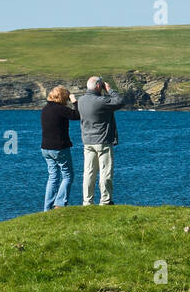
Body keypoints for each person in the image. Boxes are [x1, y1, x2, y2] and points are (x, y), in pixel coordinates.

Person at [77, 75, 126, 205]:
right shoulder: (101, 101)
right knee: (105, 172)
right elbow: (120, 101)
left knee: (89, 173)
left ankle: (87, 201)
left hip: (87, 141)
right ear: (99, 86)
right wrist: (109, 89)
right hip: (103, 141)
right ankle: (105, 200)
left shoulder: (81, 100)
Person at [40, 85, 80, 210]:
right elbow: (77, 115)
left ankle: (47, 207)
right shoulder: (60, 109)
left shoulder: (45, 109)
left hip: (45, 148)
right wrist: (74, 101)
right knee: (68, 175)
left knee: (53, 177)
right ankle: (60, 204)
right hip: (59, 147)